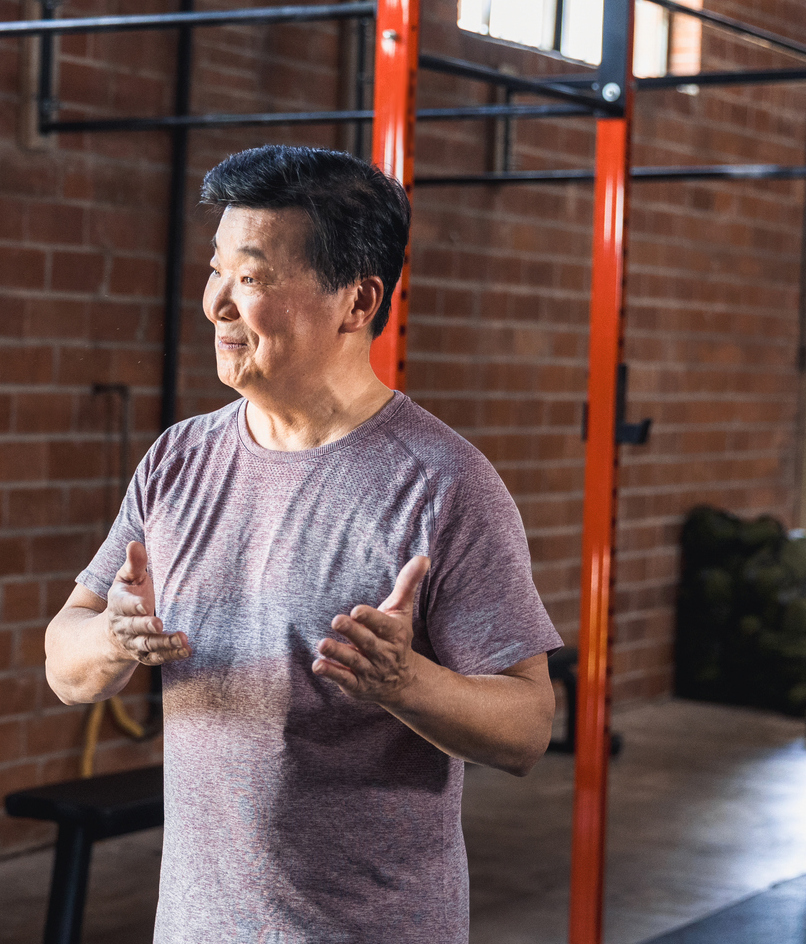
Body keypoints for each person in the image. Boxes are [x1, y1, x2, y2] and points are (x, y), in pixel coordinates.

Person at [43, 144, 563, 943]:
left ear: (358, 302)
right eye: (216, 270)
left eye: (250, 278)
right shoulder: (178, 460)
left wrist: (405, 683)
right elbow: (64, 662)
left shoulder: (442, 483)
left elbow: (529, 727)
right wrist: (112, 637)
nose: (216, 302)